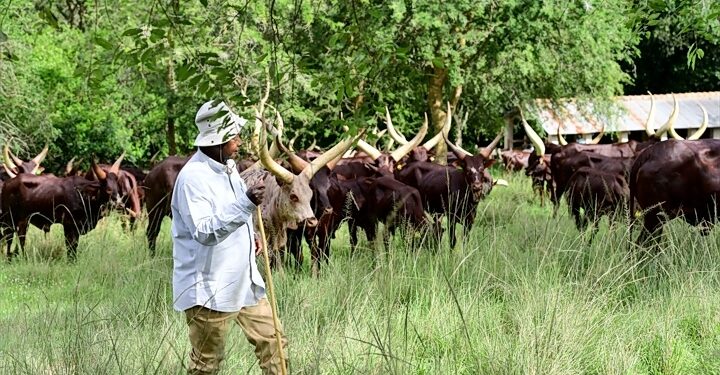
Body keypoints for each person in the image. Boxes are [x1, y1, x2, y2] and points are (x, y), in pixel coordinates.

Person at [171, 100, 288, 375]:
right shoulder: (192, 179)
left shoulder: (230, 167)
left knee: (274, 343)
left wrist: (252, 236)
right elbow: (204, 231)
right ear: (217, 140)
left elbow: (236, 213)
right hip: (210, 289)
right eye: (233, 136)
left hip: (244, 281)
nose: (238, 141)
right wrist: (247, 201)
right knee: (206, 364)